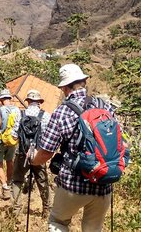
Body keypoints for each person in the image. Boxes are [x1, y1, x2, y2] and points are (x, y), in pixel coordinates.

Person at [30, 64, 112, 232]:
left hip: (73, 184)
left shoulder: (62, 111)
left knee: (57, 222)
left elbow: (45, 152)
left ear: (66, 88)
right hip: (104, 182)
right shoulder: (104, 106)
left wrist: (33, 159)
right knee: (94, 229)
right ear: (84, 81)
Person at [11, 89, 51, 214]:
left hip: (22, 153)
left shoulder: (20, 114)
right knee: (42, 180)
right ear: (39, 102)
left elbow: (13, 135)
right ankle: (46, 209)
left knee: (17, 180)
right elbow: (47, 136)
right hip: (38, 154)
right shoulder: (45, 115)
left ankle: (16, 209)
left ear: (27, 101)